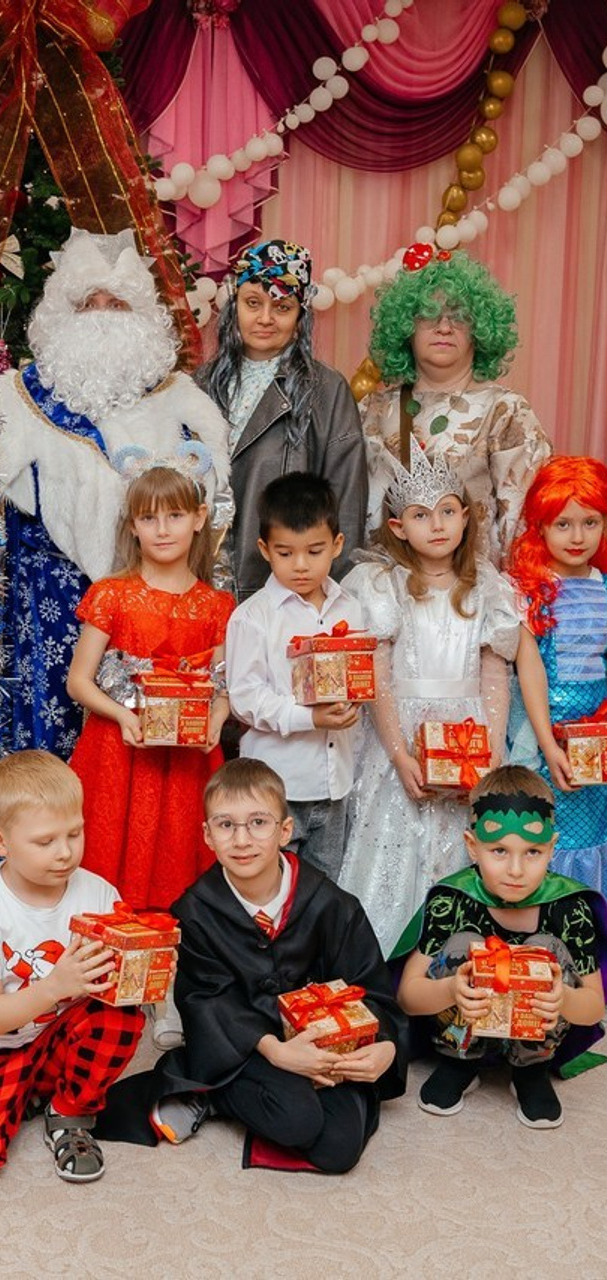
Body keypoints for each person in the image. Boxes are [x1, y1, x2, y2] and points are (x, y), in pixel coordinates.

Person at [0, 226, 232, 757]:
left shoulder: (181, 402)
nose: (100, 314)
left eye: (116, 302)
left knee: (145, 750)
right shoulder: (14, 398)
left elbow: (207, 506)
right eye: (86, 302)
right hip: (50, 596)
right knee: (54, 749)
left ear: (143, 317)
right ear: (60, 314)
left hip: (158, 605)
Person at [98, 759, 407, 1173]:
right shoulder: (194, 911)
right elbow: (206, 998)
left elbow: (371, 988)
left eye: (258, 822)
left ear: (285, 830)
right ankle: (212, 1091)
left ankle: (222, 1094)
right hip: (245, 1048)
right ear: (208, 835)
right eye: (226, 825)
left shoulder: (332, 906)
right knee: (297, 1121)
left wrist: (385, 1047)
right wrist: (276, 1052)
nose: (242, 840)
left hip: (324, 1046)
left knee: (338, 1150)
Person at [65, 456, 232, 1052]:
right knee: (113, 862)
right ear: (132, 526)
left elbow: (224, 685)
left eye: (176, 515)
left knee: (176, 863)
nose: (162, 529)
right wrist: (122, 715)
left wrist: (215, 721)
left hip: (184, 761)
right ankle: (101, 981)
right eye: (149, 517)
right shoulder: (111, 594)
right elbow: (79, 681)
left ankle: (166, 990)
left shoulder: (217, 606)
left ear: (199, 519)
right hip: (120, 752)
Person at [0, 751, 145, 1187]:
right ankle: (22, 1092)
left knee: (123, 1015)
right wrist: (55, 986)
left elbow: (123, 988)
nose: (65, 853)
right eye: (45, 842)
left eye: (75, 834)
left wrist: (147, 965)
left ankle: (69, 1110)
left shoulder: (100, 893)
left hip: (65, 1037)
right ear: (0, 841)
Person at [338, 447, 519, 953]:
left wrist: (492, 750)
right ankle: (384, 964)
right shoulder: (383, 584)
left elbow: (492, 670)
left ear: (465, 516)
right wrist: (398, 751)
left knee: (456, 842)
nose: (436, 525)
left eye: (446, 510)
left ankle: (455, 964)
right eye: (420, 515)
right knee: (394, 839)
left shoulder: (486, 586)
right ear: (398, 527)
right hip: (402, 731)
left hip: (466, 730)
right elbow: (376, 672)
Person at [394, 766, 605, 1129]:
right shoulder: (453, 900)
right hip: (462, 1031)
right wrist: (449, 990)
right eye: (499, 851)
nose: (516, 869)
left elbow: (594, 1006)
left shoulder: (568, 907)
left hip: (538, 1034)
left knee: (544, 950)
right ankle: (460, 1062)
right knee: (464, 945)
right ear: (472, 847)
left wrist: (563, 1000)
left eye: (533, 852)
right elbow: (407, 995)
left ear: (552, 847)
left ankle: (530, 1070)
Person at [197, 239, 366, 601]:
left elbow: (346, 500)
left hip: (285, 587)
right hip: (200, 583)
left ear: (301, 316)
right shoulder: (200, 385)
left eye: (282, 307)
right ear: (234, 306)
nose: (265, 319)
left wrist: (328, 596)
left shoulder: (325, 390)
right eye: (253, 303)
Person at [362, 249, 550, 566]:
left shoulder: (504, 411)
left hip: (469, 595)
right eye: (429, 315)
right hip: (384, 596)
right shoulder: (372, 410)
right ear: (405, 327)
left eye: (459, 317)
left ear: (480, 330)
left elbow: (523, 524)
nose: (444, 327)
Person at [224, 472, 365, 881]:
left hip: (335, 784)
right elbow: (246, 697)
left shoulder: (349, 609)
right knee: (268, 887)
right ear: (265, 550)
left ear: (337, 546)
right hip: (276, 787)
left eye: (315, 551)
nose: (301, 565)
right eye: (286, 553)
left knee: (324, 892)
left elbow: (356, 676)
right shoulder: (253, 617)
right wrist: (311, 717)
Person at [507, 457, 607, 896]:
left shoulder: (603, 586)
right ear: (540, 526)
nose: (578, 537)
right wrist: (550, 746)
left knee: (593, 832)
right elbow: (531, 673)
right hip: (544, 736)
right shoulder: (529, 590)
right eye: (563, 523)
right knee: (546, 834)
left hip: (597, 742)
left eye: (591, 522)